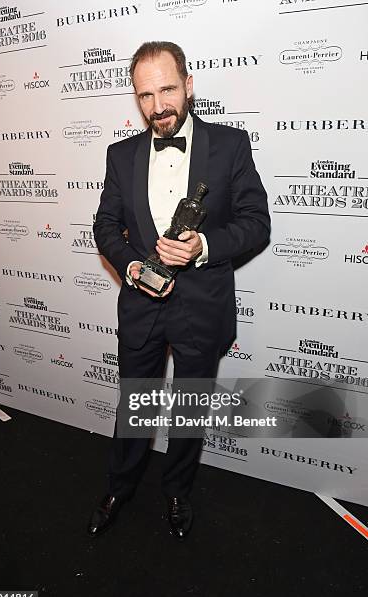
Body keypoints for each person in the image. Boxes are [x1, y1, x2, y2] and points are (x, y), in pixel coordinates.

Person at [89, 41, 270, 539]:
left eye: (167, 89)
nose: (157, 106)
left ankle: (177, 492)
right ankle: (119, 487)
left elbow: (257, 224)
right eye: (144, 95)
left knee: (189, 410)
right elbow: (105, 227)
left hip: (202, 307)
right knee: (134, 406)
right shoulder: (120, 155)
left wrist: (204, 246)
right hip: (141, 308)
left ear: (188, 86)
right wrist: (131, 267)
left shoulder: (230, 145)